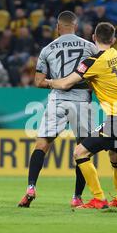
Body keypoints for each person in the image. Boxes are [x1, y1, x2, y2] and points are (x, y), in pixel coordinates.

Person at [42, 22, 117, 209]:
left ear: (94, 38)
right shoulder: (115, 54)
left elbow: (64, 84)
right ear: (113, 40)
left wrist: (47, 82)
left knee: (79, 152)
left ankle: (98, 198)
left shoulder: (92, 62)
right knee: (115, 157)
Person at [18, 11, 99, 208]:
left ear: (57, 27)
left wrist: (57, 83)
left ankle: (30, 187)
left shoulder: (47, 49)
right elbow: (98, 78)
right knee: (83, 151)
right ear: (75, 26)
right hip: (82, 101)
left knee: (42, 145)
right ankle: (77, 197)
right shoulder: (90, 47)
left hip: (57, 100)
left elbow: (38, 81)